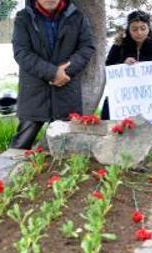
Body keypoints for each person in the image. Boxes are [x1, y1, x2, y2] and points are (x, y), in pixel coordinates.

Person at [9, 0, 95, 150]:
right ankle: (5, 174)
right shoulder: (24, 18)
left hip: (66, 92)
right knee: (20, 146)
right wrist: (52, 73)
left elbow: (86, 47)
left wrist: (66, 70)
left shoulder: (77, 17)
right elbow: (21, 52)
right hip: (34, 93)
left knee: (69, 149)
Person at [101, 10, 152, 120]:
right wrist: (122, 65)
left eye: (143, 28)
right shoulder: (118, 47)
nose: (139, 32)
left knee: (145, 136)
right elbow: (108, 69)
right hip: (121, 104)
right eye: (134, 29)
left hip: (148, 106)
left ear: (149, 28)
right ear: (128, 30)